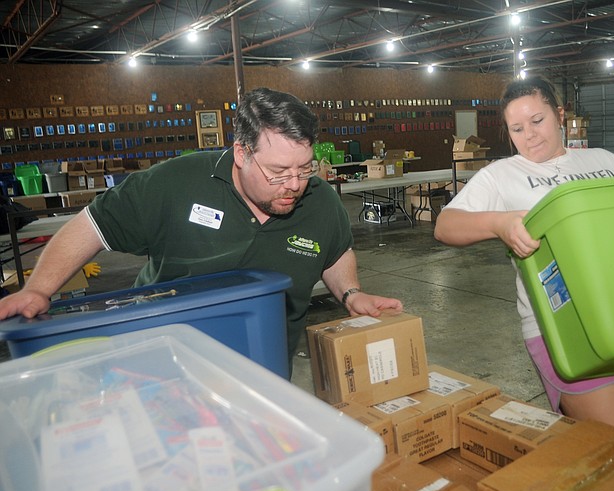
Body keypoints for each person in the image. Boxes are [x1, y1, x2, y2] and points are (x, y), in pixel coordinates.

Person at [0, 87, 402, 375]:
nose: (295, 183)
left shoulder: (319, 200)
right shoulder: (174, 184)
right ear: (241, 153)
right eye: (279, 172)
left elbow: (333, 252)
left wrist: (351, 292)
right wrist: (39, 289)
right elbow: (91, 227)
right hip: (166, 368)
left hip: (263, 366)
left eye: (305, 167)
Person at [434, 76, 614, 442]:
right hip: (564, 323)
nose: (528, 135)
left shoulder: (605, 160)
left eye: (537, 120)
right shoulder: (501, 176)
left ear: (559, 115)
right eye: (516, 128)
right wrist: (498, 223)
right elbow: (446, 225)